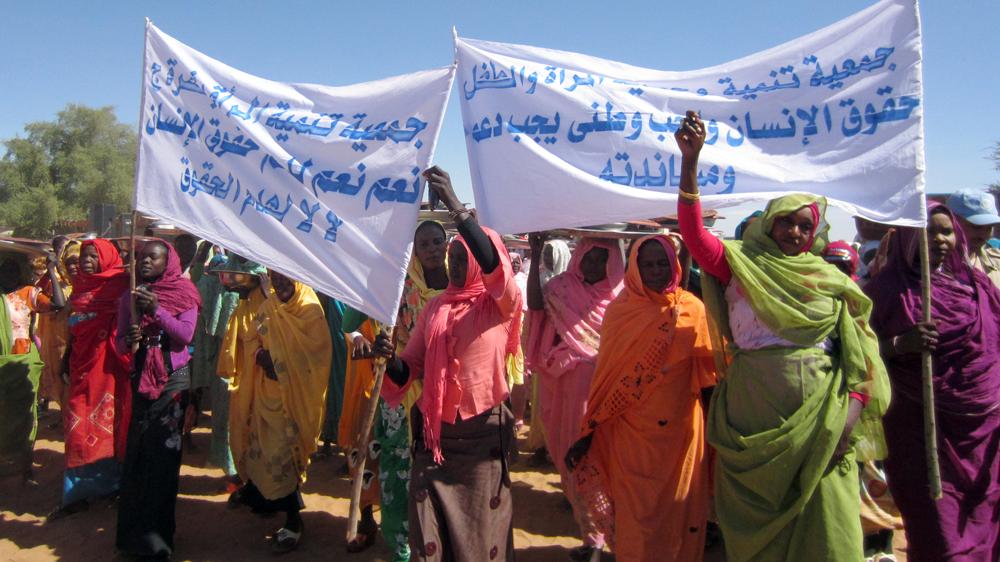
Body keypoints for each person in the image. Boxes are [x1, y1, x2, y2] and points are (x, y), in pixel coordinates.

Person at [675, 110, 890, 561]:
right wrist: (690, 163)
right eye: (786, 221)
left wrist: (848, 421)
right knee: (758, 535)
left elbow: (860, 358)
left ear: (814, 234)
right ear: (769, 223)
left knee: (828, 525)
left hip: (823, 422)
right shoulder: (740, 265)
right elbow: (694, 236)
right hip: (753, 423)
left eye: (804, 226)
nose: (794, 231)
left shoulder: (831, 280)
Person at [373, 166, 521, 562]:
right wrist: (390, 360)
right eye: (452, 257)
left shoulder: (498, 305)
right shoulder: (435, 308)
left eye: (461, 257)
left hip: (481, 437)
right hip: (435, 439)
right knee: (430, 531)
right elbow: (411, 366)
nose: (454, 264)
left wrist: (456, 205)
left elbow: (494, 265)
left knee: (479, 535)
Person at [564, 234, 716, 562]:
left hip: (681, 436)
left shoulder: (693, 309)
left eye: (663, 263)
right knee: (634, 515)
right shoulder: (621, 312)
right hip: (630, 436)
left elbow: (709, 379)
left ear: (675, 265)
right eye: (648, 264)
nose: (656, 271)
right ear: (634, 268)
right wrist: (588, 433)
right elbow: (606, 381)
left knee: (677, 515)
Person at [866, 203, 1000, 561]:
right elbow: (859, 351)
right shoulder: (886, 291)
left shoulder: (978, 286)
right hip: (920, 432)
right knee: (939, 534)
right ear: (909, 236)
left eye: (946, 231)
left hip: (979, 432)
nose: (939, 239)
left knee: (984, 519)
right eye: (928, 231)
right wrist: (900, 344)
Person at [525, 233, 624, 560]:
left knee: (600, 463)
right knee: (569, 456)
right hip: (562, 388)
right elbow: (535, 305)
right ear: (578, 255)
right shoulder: (561, 288)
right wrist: (535, 253)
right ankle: (592, 536)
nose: (593, 264)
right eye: (589, 256)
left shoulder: (622, 297)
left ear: (613, 261)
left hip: (604, 392)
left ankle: (604, 538)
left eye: (601, 258)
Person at [227, 270, 332, 553]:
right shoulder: (269, 306)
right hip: (266, 394)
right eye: (276, 278)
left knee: (284, 457)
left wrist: (281, 366)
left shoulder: (310, 311)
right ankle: (261, 500)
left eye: (286, 278)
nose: (281, 284)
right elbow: (252, 337)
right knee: (261, 451)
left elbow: (317, 356)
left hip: (294, 401)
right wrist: (260, 355)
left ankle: (293, 521)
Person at [114, 240, 201, 559]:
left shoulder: (185, 293)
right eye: (141, 257)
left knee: (163, 458)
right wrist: (128, 340)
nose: (145, 262)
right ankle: (132, 538)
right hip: (140, 378)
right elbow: (119, 343)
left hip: (172, 381)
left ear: (169, 262)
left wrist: (157, 310)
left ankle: (159, 540)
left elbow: (185, 335)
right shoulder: (130, 297)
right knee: (137, 457)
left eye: (153, 257)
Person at [56, 239, 131, 516]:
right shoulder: (80, 285)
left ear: (106, 257)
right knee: (78, 426)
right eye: (84, 256)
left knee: (108, 424)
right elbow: (74, 329)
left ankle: (113, 486)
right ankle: (77, 493)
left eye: (92, 256)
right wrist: (66, 358)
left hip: (109, 370)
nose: (86, 261)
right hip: (81, 367)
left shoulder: (120, 285)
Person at [0, 254, 64, 479]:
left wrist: (52, 271)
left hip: (22, 365)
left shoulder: (28, 293)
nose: (7, 274)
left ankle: (23, 465)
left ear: (20, 273)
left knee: (23, 415)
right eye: (3, 269)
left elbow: (58, 304)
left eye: (12, 270)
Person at [189, 250, 241, 490]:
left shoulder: (254, 283)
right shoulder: (217, 282)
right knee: (228, 417)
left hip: (239, 362)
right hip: (227, 363)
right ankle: (233, 473)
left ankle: (237, 472)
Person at [337, 310, 382, 552]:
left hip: (402, 380)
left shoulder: (411, 289)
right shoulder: (365, 290)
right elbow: (349, 323)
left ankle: (403, 528)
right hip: (364, 382)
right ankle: (366, 517)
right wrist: (356, 337)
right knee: (362, 448)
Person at [36, 240, 78, 413]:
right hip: (58, 342)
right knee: (60, 381)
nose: (73, 266)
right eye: (69, 262)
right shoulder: (60, 283)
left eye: (76, 261)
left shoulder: (87, 286)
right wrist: (51, 272)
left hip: (77, 343)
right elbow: (38, 293)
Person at [945, 188, 1000, 287]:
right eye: (976, 227)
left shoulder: (997, 262)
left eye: (989, 227)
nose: (983, 234)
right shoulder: (934, 265)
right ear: (952, 222)